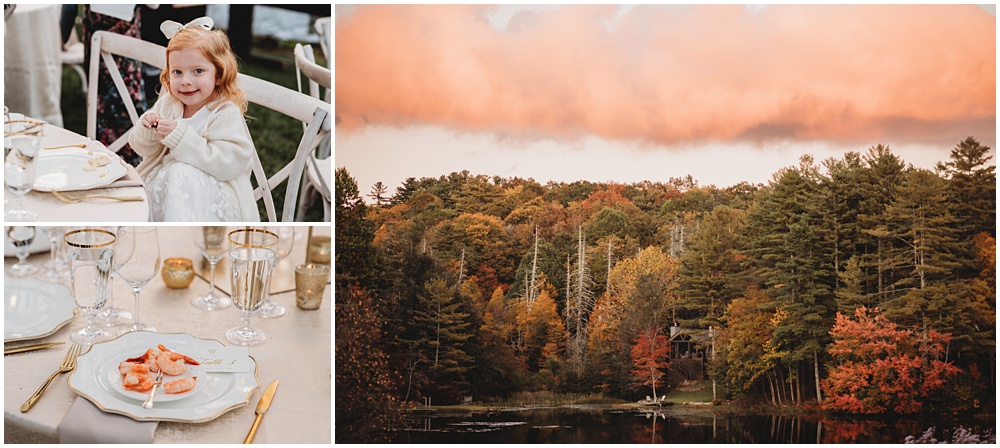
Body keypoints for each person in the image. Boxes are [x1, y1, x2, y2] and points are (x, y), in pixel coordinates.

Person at [128, 17, 258, 222]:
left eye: (198, 71)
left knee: (180, 172)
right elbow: (143, 149)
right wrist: (148, 128)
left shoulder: (223, 112)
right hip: (167, 189)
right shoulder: (170, 103)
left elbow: (229, 164)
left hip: (211, 197)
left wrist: (181, 138)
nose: (186, 81)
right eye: (177, 72)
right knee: (175, 174)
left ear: (218, 75)